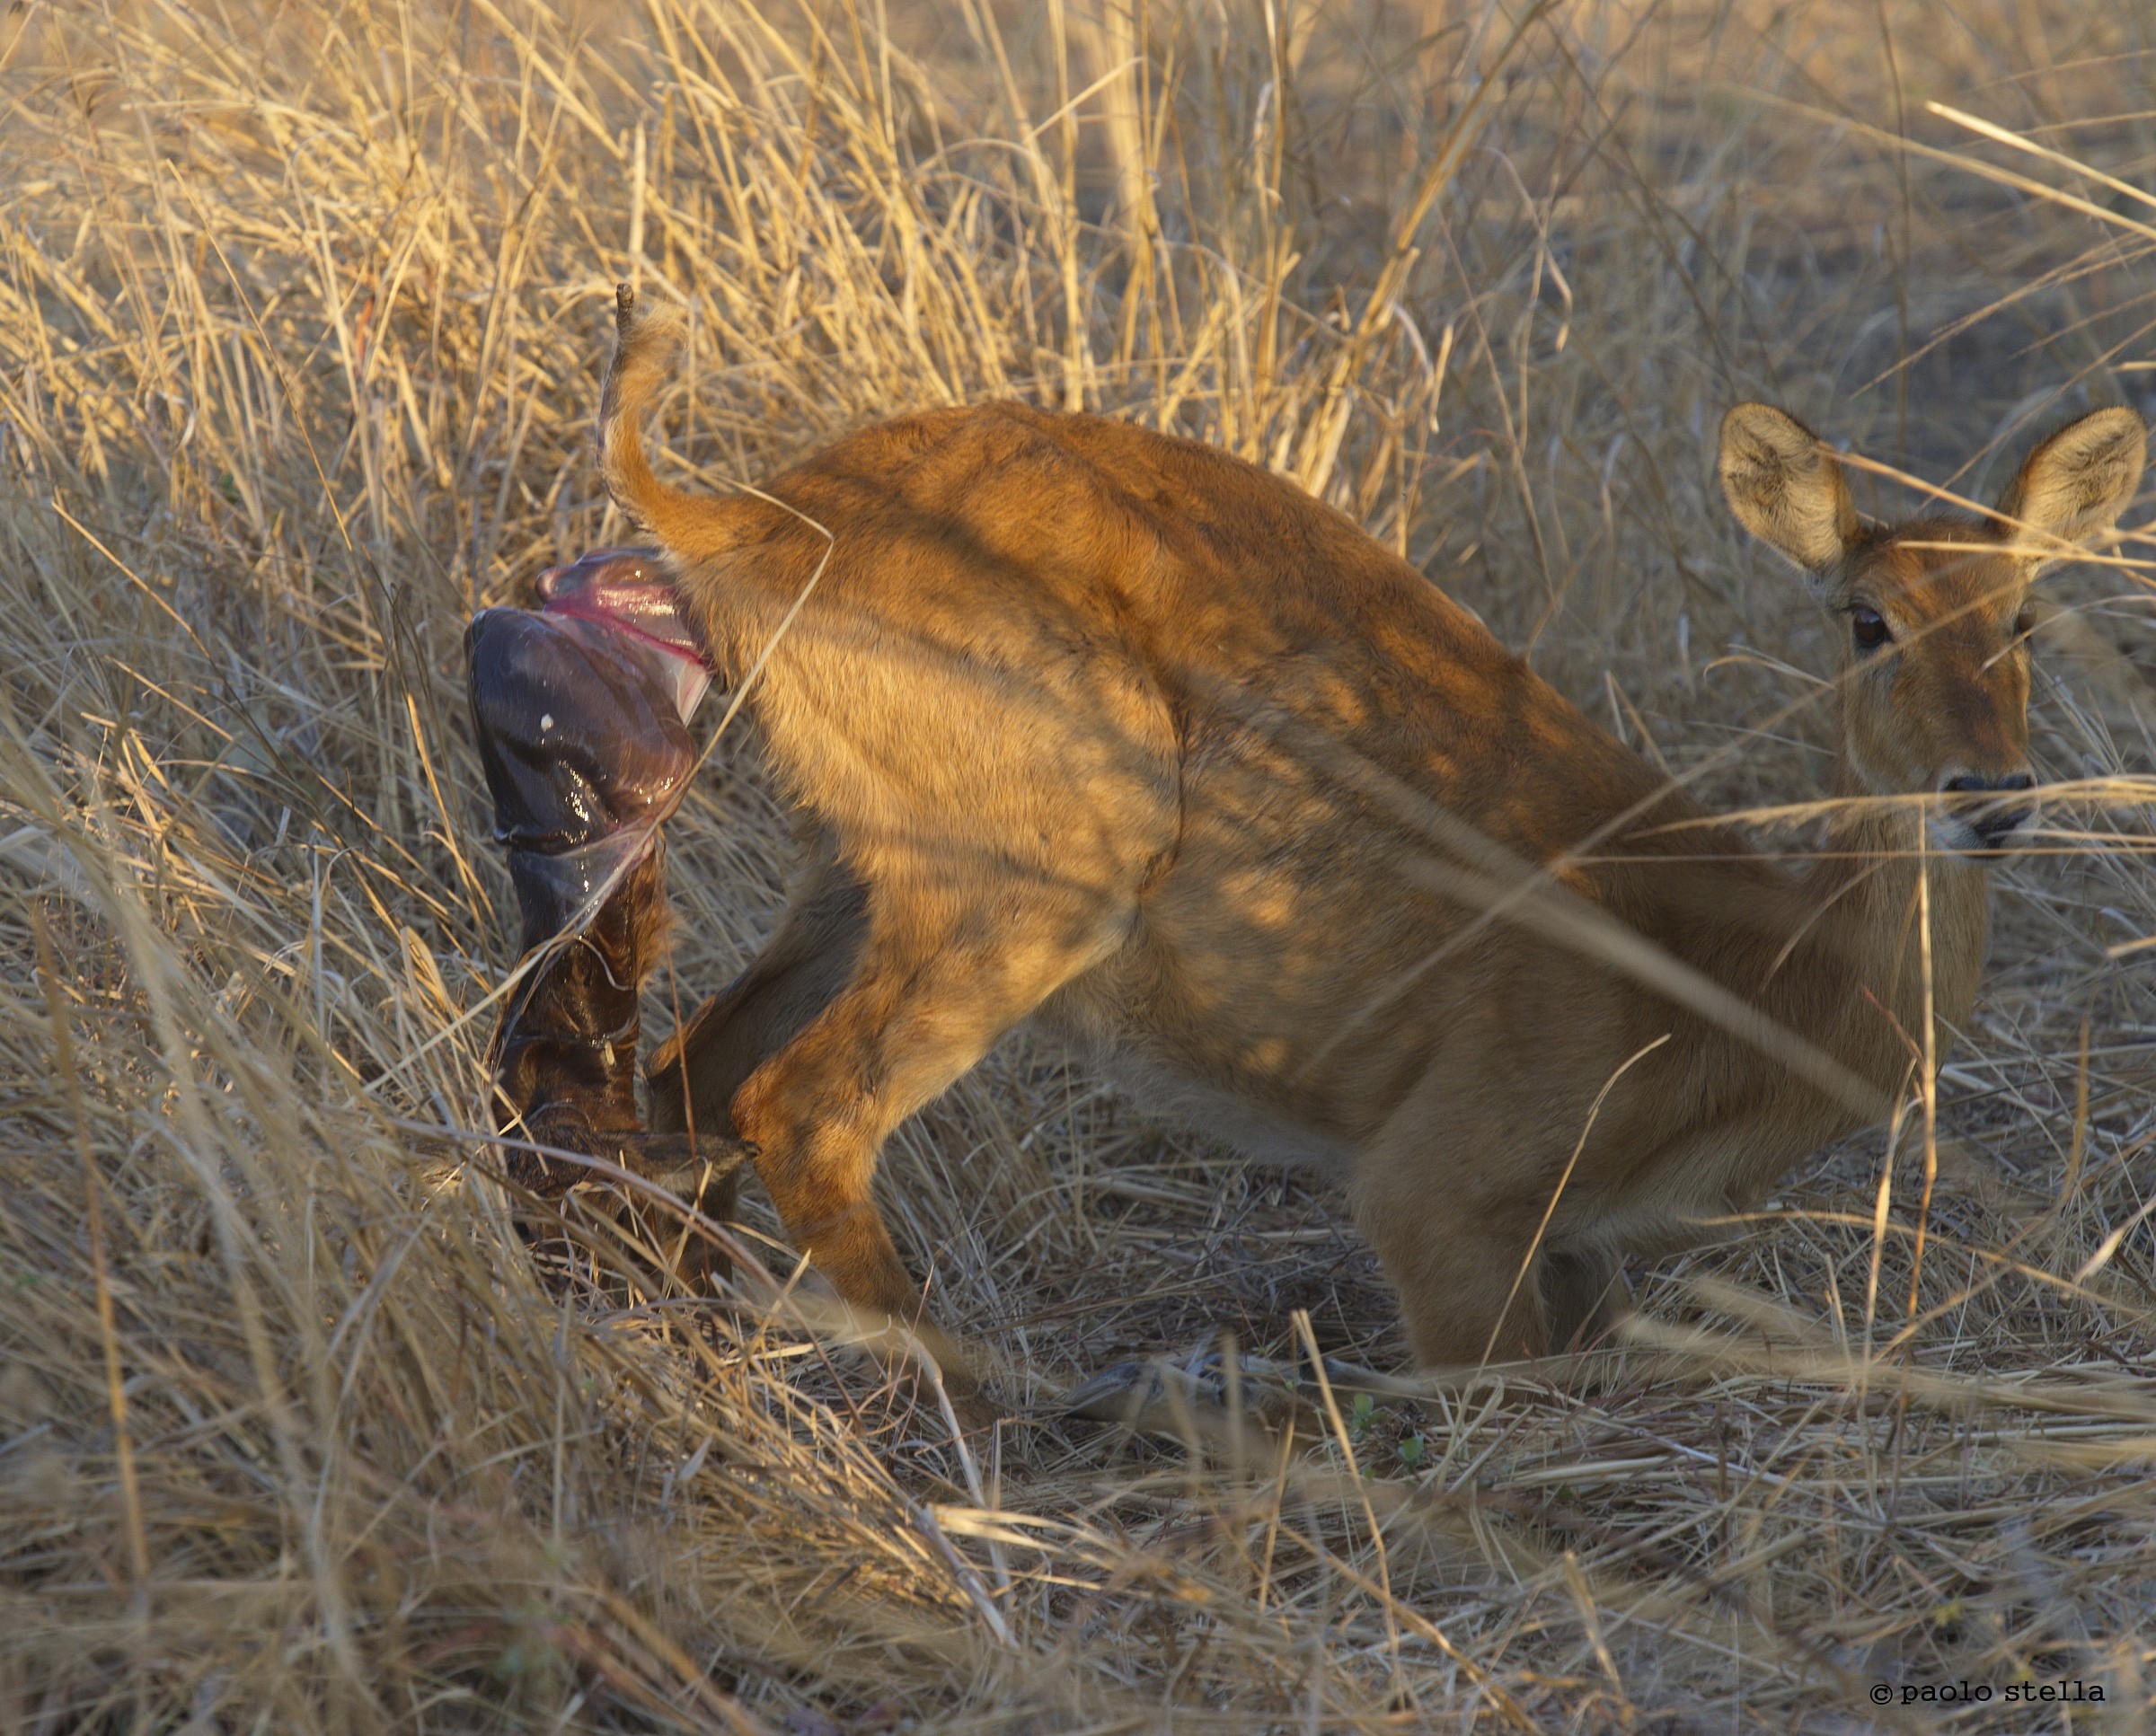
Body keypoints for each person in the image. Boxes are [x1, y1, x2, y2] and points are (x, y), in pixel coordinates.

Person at [464, 547, 734, 1214]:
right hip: (533, 666)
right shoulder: (634, 738)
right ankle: (573, 1149)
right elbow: (654, 770)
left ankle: (571, 1139)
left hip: (535, 670)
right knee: (653, 772)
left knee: (583, 943)